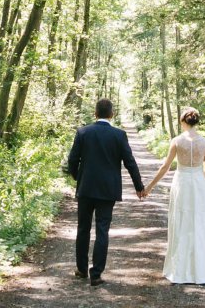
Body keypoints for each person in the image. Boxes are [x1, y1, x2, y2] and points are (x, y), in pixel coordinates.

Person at [141, 106, 205, 284]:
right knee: (200, 223)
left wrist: (148, 187)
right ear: (197, 122)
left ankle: (180, 270)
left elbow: (165, 167)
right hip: (199, 184)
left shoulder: (177, 141)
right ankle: (202, 269)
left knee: (181, 223)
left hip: (181, 183)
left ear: (182, 122)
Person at [66, 97, 145, 286]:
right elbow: (130, 162)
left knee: (83, 228)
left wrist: (79, 178)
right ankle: (96, 274)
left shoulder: (83, 132)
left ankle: (81, 269)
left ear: (95, 113)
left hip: (86, 189)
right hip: (107, 190)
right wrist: (139, 187)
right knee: (102, 230)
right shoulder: (119, 135)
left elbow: (72, 160)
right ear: (112, 114)